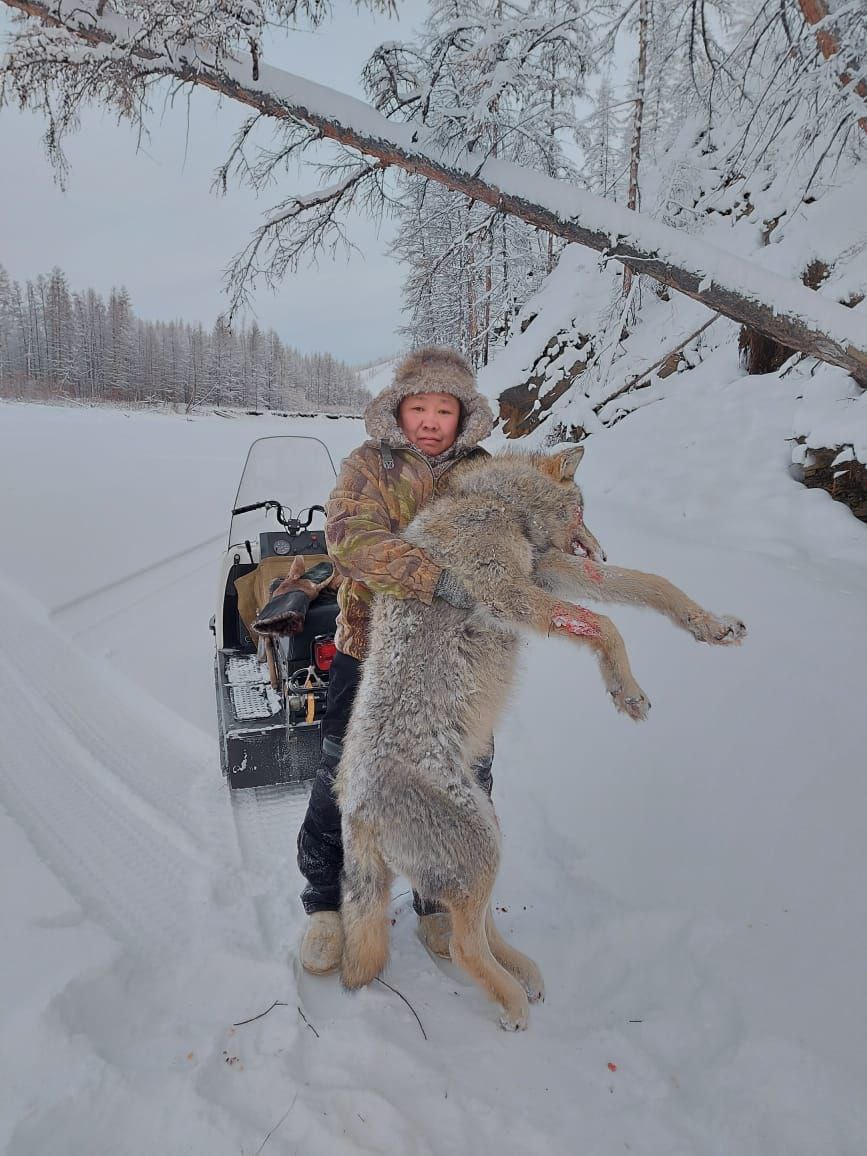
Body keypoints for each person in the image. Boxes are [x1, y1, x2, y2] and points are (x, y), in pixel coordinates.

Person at [297, 345, 495, 975]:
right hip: (371, 653)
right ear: (399, 410)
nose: (431, 421)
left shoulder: (482, 470)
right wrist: (436, 578)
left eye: (445, 409)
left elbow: (523, 516)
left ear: (464, 417)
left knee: (461, 781)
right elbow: (350, 539)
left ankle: (441, 901)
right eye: (420, 407)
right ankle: (326, 903)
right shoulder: (367, 466)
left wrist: (567, 522)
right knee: (343, 777)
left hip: (458, 662)